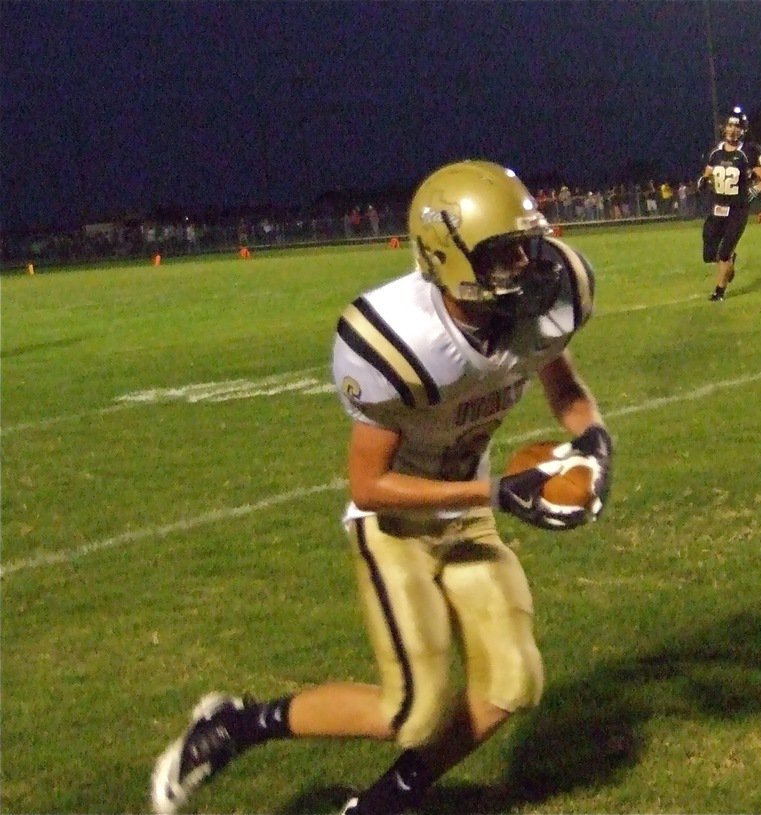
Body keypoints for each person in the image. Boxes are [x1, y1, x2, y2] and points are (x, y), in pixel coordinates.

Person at [150, 160, 615, 815]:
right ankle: (235, 724)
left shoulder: (541, 303)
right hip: (398, 522)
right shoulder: (403, 340)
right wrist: (496, 494)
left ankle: (379, 806)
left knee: (514, 681)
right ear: (448, 258)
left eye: (524, 246)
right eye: (503, 253)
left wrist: (593, 437)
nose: (524, 265)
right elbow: (369, 485)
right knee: (412, 711)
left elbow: (563, 386)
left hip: (469, 506)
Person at [698, 106, 761, 302]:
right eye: (730, 125)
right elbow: (708, 174)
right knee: (710, 254)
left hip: (737, 210)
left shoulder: (747, 152)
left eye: (737, 126)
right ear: (724, 127)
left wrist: (754, 190)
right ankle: (729, 262)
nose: (732, 129)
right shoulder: (715, 152)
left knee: (724, 253)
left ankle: (719, 291)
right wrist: (703, 181)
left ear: (743, 130)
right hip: (717, 208)